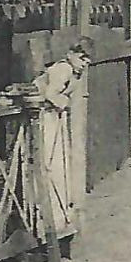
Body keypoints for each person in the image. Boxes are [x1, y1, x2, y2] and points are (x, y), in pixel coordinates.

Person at [31, 38, 93, 226]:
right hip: (43, 115)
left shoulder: (75, 73)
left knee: (59, 163)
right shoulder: (63, 69)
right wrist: (65, 104)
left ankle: (60, 212)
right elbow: (50, 94)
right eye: (82, 57)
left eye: (88, 59)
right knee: (49, 162)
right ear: (71, 54)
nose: (86, 62)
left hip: (55, 117)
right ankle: (46, 215)